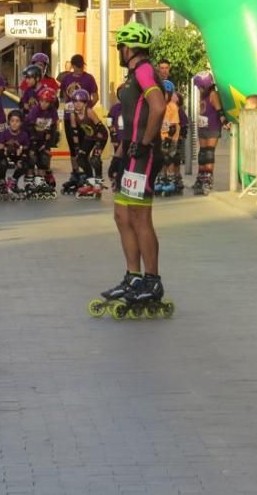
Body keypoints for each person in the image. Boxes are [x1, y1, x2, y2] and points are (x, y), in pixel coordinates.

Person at [98, 23, 169, 316]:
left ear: (129, 48)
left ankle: (152, 281)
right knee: (122, 215)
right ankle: (133, 277)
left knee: (140, 217)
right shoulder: (132, 75)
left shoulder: (144, 70)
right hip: (130, 153)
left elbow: (159, 107)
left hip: (144, 155)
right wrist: (118, 155)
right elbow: (130, 118)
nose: (118, 52)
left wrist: (145, 142)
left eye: (119, 47)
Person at [60, 54, 99, 193]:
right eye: (76, 68)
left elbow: (95, 95)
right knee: (73, 146)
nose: (78, 70)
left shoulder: (88, 78)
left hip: (83, 118)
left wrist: (87, 108)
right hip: (69, 116)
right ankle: (75, 172)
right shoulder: (67, 78)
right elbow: (65, 96)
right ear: (72, 66)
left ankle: (85, 171)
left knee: (84, 145)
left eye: (80, 67)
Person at [68, 89, 108, 199]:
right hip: (89, 137)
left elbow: (101, 127)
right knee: (80, 159)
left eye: (80, 101)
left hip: (101, 135)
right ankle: (91, 181)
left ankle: (98, 181)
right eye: (75, 101)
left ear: (85, 103)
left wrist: (99, 143)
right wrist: (77, 148)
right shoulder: (73, 114)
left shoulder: (89, 111)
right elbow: (74, 131)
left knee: (94, 159)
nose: (77, 104)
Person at [192, 70, 227, 195]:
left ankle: (208, 178)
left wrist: (225, 122)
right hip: (203, 126)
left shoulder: (213, 94)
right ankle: (200, 178)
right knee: (202, 153)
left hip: (212, 127)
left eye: (201, 87)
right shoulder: (203, 94)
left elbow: (220, 111)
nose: (199, 89)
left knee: (209, 153)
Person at [25, 87, 59, 198]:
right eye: (42, 101)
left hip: (44, 139)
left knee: (44, 158)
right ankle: (29, 182)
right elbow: (29, 127)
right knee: (32, 158)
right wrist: (34, 142)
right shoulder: (35, 109)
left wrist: (47, 145)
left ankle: (40, 180)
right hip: (32, 138)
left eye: (46, 102)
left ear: (51, 103)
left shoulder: (53, 111)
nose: (43, 104)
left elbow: (53, 129)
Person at [155, 80, 183, 196]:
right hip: (161, 137)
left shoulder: (172, 107)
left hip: (172, 138)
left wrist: (169, 140)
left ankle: (171, 180)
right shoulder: (158, 105)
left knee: (169, 158)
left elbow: (173, 127)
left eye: (166, 93)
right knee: (161, 160)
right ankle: (162, 178)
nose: (164, 96)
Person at [0, 109, 31, 199]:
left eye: (17, 121)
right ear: (9, 122)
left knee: (25, 164)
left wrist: (21, 160)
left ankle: (13, 182)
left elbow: (26, 150)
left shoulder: (24, 135)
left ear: (21, 123)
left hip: (17, 156)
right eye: (12, 121)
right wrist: (7, 159)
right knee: (3, 163)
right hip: (5, 155)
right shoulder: (4, 133)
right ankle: (1, 182)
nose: (14, 123)